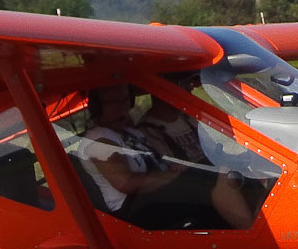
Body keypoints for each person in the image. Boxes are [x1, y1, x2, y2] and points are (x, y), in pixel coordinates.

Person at [80, 84, 254, 230]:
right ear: (97, 107)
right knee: (211, 176)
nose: (123, 108)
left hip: (151, 199)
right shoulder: (99, 140)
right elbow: (127, 183)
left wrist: (173, 170)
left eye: (126, 100)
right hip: (133, 210)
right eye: (113, 103)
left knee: (224, 168)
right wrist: (173, 175)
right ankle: (253, 234)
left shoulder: (127, 132)